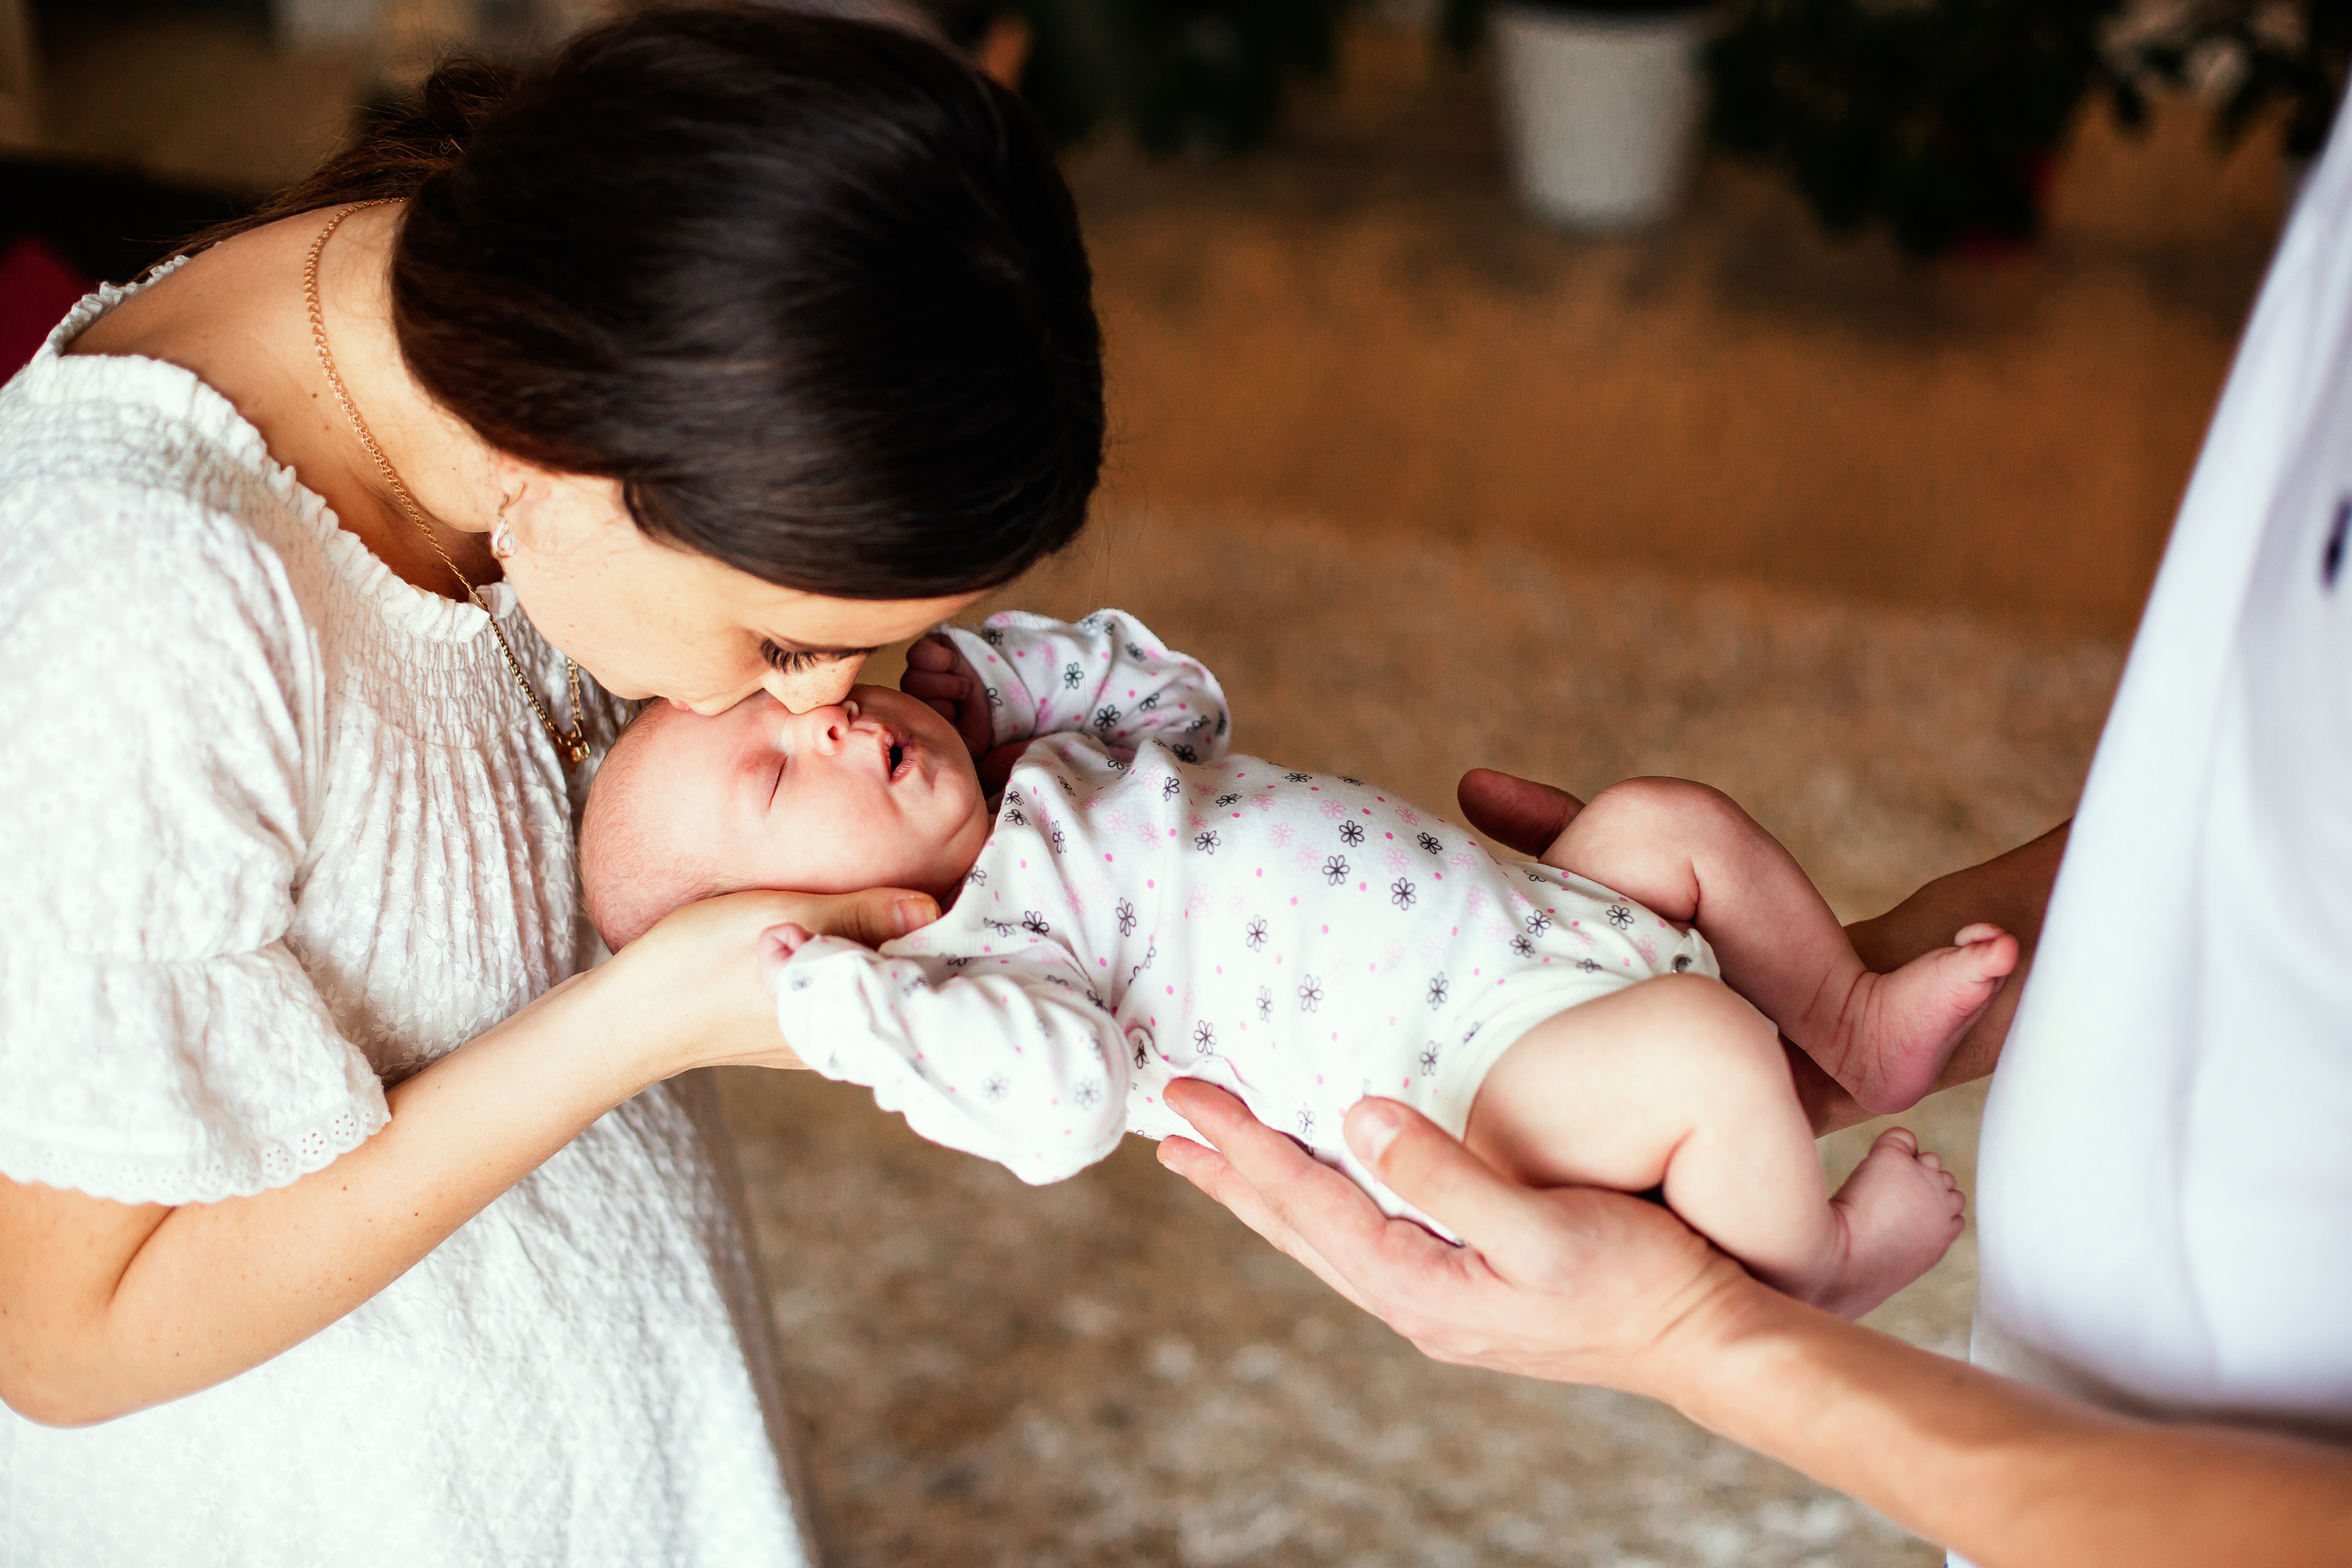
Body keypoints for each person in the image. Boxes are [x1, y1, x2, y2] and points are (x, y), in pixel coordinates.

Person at [1153, 87, 2352, 1568]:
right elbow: (2270, 769)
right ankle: (1852, 1023)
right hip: (2077, 1354)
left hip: (2190, 1453)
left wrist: (1700, 1331)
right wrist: (1854, 971)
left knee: (1701, 1024)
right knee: (1662, 827)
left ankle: (1820, 1267)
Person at [0, 11, 1102, 1566]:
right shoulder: (136, 599)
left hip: (597, 1417)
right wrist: (651, 1015)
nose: (819, 696)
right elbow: (67, 1338)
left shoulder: (489, 281)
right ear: (579, 446)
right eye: (790, 635)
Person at [580, 607, 2001, 1318]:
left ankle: (1856, 1022)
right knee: (1703, 1048)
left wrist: (1009, 680)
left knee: (1663, 821)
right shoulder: (976, 979)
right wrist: (847, 1007)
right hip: (1469, 1087)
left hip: (1531, 935)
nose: (825, 724)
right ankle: (1804, 1279)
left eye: (806, 700)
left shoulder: (1027, 760)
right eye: (775, 782)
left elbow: (1187, 710)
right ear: (808, 919)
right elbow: (1067, 1108)